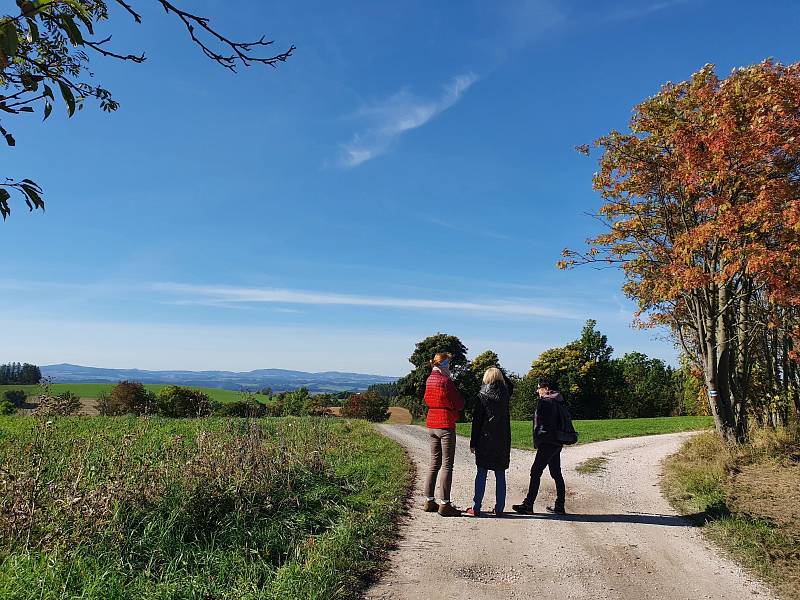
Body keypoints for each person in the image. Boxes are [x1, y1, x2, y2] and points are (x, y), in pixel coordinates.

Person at [512, 377, 567, 515]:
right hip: (557, 442)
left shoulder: (545, 402)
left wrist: (539, 439)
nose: (537, 391)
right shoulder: (559, 400)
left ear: (546, 388)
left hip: (547, 442)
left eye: (539, 388)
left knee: (535, 472)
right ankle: (560, 505)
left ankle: (528, 505)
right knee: (556, 473)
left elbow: (541, 424)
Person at [465, 367, 512, 517]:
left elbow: (477, 421)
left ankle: (476, 507)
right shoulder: (506, 394)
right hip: (503, 439)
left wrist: (473, 441)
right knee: (500, 474)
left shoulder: (482, 395)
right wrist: (500, 374)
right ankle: (499, 508)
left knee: (481, 473)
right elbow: (510, 384)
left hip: (485, 438)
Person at [423, 352, 465, 517]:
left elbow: (427, 399)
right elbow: (459, 403)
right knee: (447, 465)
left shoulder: (429, 379)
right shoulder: (446, 381)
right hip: (445, 423)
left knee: (434, 463)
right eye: (448, 365)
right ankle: (445, 504)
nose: (450, 368)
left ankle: (429, 500)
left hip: (432, 423)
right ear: (443, 364)